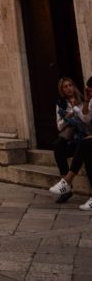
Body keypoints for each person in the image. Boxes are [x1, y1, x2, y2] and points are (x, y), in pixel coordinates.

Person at [49, 77, 92, 205]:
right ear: (62, 90)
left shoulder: (83, 100)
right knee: (57, 145)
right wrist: (66, 118)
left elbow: (85, 122)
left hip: (84, 136)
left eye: (70, 85)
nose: (69, 88)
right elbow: (59, 127)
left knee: (84, 147)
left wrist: (75, 109)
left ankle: (66, 182)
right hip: (73, 138)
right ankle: (66, 187)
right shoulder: (60, 104)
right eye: (66, 86)